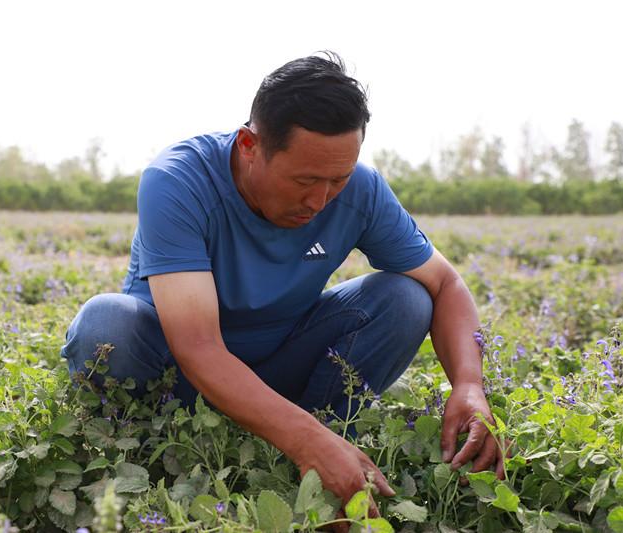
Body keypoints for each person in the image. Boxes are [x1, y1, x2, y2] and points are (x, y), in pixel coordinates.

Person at [61, 52, 504, 524]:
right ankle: (141, 454)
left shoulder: (362, 190)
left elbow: (446, 282)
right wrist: (305, 438)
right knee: (106, 323)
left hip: (281, 366)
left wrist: (469, 385)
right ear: (251, 145)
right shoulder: (178, 181)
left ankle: (328, 444)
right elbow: (198, 347)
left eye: (337, 180)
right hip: (177, 378)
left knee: (406, 297)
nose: (319, 201)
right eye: (305, 181)